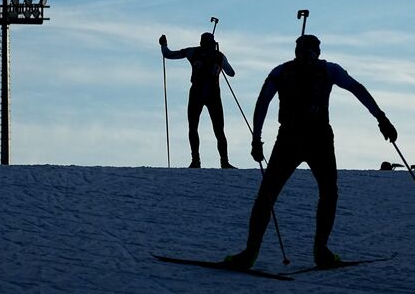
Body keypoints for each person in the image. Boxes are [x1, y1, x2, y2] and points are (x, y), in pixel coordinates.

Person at [224, 34, 397, 269]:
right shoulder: (324, 70)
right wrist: (381, 118)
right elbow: (357, 89)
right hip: (312, 138)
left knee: (274, 195)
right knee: (321, 193)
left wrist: (257, 139)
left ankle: (254, 252)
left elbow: (263, 101)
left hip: (296, 138)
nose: (305, 55)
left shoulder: (284, 71)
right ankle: (316, 250)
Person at [159, 32, 237, 169]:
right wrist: (219, 63)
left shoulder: (193, 52)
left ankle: (197, 160)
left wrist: (163, 45)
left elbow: (169, 54)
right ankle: (222, 161)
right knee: (217, 129)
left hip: (198, 93)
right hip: (212, 94)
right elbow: (231, 73)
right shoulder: (218, 55)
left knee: (196, 127)